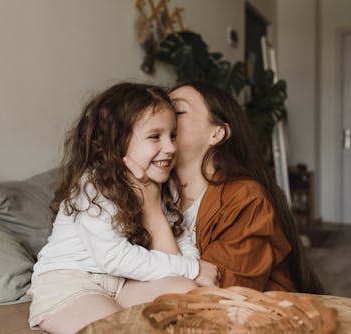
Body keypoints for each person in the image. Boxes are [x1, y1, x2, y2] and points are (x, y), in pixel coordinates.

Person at [27, 82, 219, 334]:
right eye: (155, 137)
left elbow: (180, 241)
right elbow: (115, 258)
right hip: (70, 283)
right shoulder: (94, 186)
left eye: (172, 135)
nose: (171, 147)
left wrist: (190, 268)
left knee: (189, 295)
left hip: (122, 284)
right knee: (121, 329)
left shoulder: (160, 184)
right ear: (117, 142)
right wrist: (192, 268)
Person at [168, 81, 324, 294]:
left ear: (217, 133)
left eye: (177, 111)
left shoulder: (246, 198)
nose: (163, 116)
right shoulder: (156, 190)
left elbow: (215, 294)